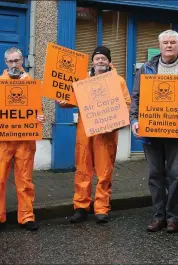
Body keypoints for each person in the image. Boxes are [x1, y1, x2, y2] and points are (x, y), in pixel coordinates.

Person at [129, 30, 178, 233]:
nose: (169, 46)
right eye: (165, 42)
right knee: (155, 175)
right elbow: (136, 97)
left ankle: (173, 218)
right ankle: (157, 216)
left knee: (176, 176)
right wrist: (134, 120)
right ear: (159, 45)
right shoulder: (146, 69)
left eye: (172, 42)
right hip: (152, 132)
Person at [58, 46, 131, 224]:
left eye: (103, 58)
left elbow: (127, 104)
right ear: (93, 61)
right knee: (83, 169)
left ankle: (101, 208)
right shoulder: (82, 79)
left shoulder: (118, 81)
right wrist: (61, 100)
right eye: (97, 58)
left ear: (109, 62)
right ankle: (81, 207)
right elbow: (70, 100)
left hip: (106, 132)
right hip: (85, 130)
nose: (100, 61)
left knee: (104, 171)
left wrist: (116, 123)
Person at [0, 47, 45, 234]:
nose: (14, 64)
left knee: (25, 180)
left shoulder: (31, 83)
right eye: (11, 61)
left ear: (22, 61)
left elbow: (36, 110)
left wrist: (39, 118)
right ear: (5, 63)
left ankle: (26, 216)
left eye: (17, 60)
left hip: (25, 140)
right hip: (3, 141)